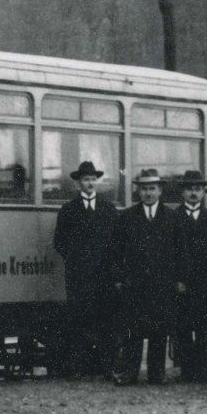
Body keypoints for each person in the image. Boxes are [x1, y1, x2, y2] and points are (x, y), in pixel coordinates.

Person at [110, 169, 182, 386]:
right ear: (138, 192)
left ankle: (156, 373)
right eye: (144, 189)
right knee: (133, 329)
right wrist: (119, 278)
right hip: (135, 284)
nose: (148, 193)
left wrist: (179, 279)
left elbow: (181, 251)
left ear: (160, 191)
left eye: (152, 188)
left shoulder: (172, 217)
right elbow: (115, 251)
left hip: (162, 284)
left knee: (159, 330)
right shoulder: (127, 217)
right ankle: (130, 372)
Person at [51, 161, 119, 381]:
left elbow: (117, 242)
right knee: (78, 320)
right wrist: (75, 261)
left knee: (105, 321)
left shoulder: (108, 209)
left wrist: (110, 267)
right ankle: (76, 366)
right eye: (85, 179)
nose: (89, 183)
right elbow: (59, 241)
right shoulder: (68, 210)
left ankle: (107, 366)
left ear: (96, 182)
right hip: (78, 276)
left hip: (104, 275)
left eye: (92, 179)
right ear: (78, 183)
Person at [171, 169, 207, 383]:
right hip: (182, 282)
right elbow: (168, 252)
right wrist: (176, 279)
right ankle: (187, 370)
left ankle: (202, 370)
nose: (193, 193)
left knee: (204, 327)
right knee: (183, 327)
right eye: (189, 189)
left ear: (203, 192)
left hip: (205, 282)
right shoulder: (173, 217)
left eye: (198, 189)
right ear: (183, 192)